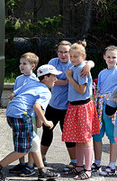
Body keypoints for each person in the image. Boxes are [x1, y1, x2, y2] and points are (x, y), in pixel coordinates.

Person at [0, 64, 61, 181]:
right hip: (22, 115)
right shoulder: (46, 92)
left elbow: (12, 95)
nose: (56, 79)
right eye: (54, 76)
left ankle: (42, 171)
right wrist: (46, 121)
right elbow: (37, 106)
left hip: (12, 113)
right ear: (46, 77)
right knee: (23, 150)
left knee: (34, 140)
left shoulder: (31, 82)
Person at [40, 41, 94, 172]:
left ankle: (74, 161)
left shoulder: (75, 63)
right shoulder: (53, 62)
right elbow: (47, 78)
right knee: (47, 131)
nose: (63, 55)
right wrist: (64, 81)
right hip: (53, 105)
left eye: (66, 52)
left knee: (70, 135)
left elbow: (88, 62)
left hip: (69, 107)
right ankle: (41, 157)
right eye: (60, 52)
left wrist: (89, 65)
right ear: (57, 52)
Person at [63, 41, 101, 180]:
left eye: (76, 56)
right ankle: (79, 167)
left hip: (82, 106)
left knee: (85, 139)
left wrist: (69, 78)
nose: (72, 59)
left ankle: (88, 169)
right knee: (78, 138)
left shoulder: (80, 69)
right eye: (71, 56)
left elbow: (81, 89)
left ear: (82, 56)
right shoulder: (75, 67)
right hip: (74, 106)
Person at [93, 45, 117, 176]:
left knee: (112, 136)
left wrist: (116, 107)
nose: (111, 59)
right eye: (108, 57)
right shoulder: (102, 73)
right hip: (100, 106)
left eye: (114, 57)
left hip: (111, 107)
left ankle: (112, 164)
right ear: (104, 57)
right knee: (97, 134)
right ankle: (97, 162)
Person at [7, 52, 39, 176]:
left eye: (25, 64)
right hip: (17, 115)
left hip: (29, 116)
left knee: (31, 141)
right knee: (18, 139)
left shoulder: (34, 80)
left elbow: (36, 99)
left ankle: (30, 165)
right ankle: (21, 163)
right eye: (20, 63)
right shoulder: (18, 79)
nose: (21, 66)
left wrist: (39, 118)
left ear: (33, 66)